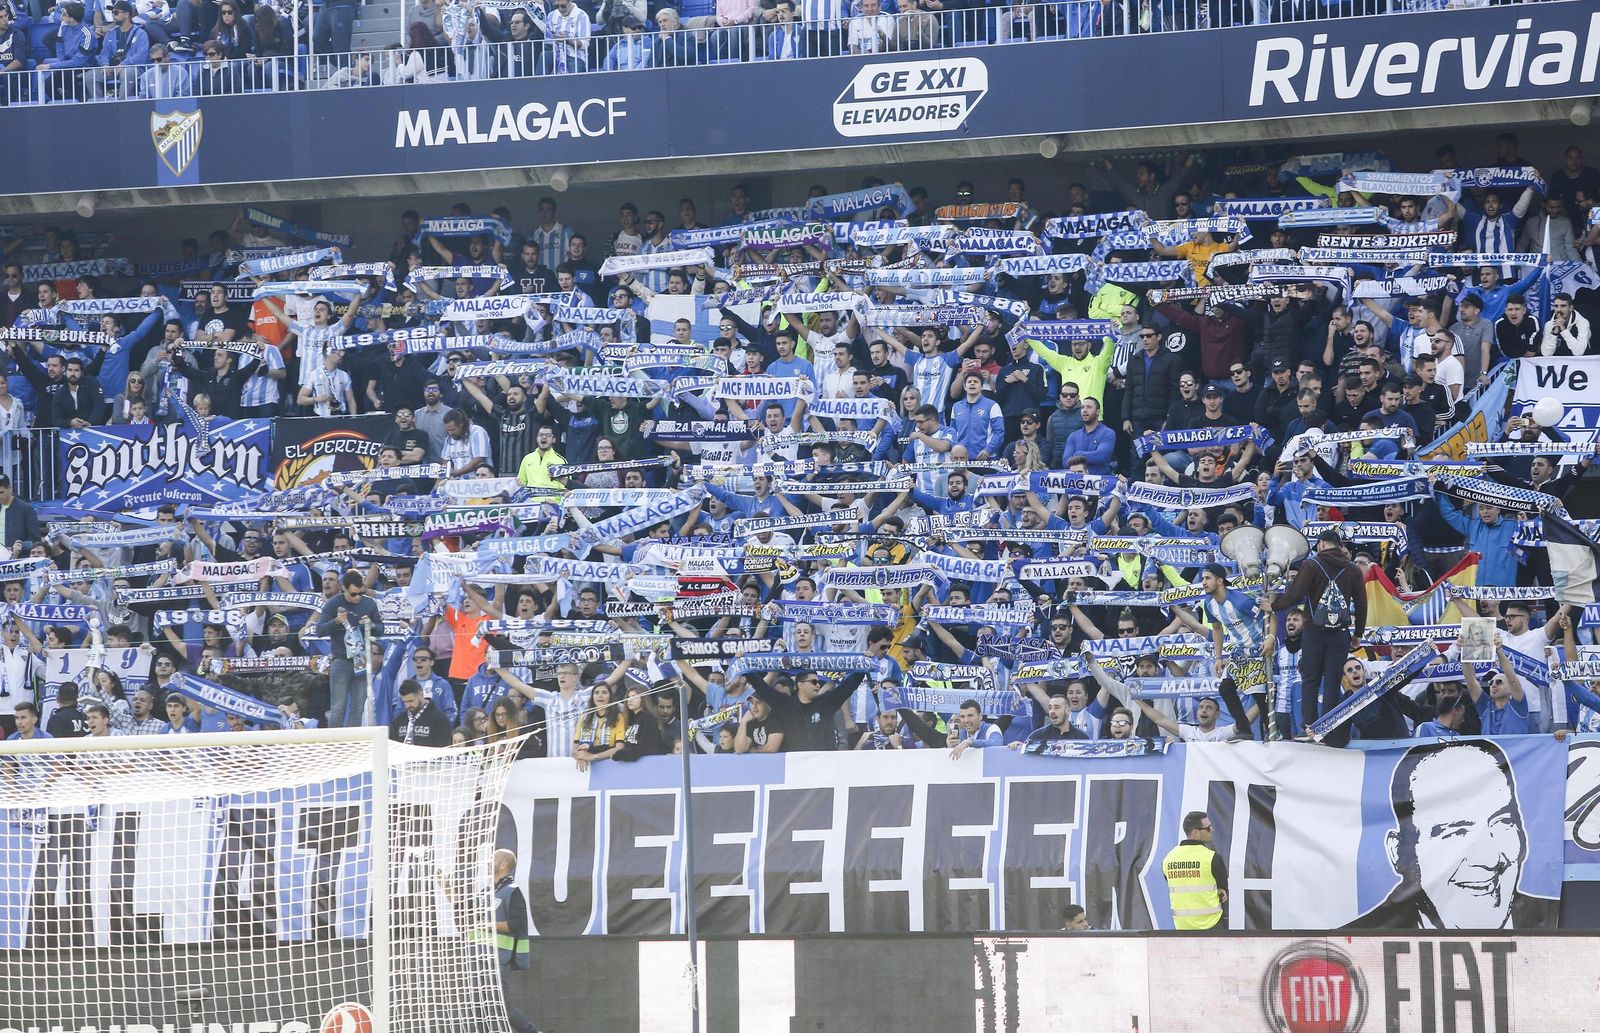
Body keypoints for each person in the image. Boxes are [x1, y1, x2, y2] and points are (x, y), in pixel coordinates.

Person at [1348, 740, 1556, 929]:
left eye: (1502, 823)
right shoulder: (1355, 945)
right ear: (1397, 852)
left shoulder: (1561, 927)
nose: (1489, 859)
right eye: (1456, 832)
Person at [315, 571, 383, 728]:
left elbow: (381, 629)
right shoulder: (333, 603)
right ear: (343, 588)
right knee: (338, 708)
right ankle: (335, 744)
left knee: (357, 709)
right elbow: (319, 631)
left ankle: (353, 745)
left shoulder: (369, 603)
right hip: (341, 660)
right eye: (353, 594)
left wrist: (371, 625)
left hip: (362, 660)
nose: (357, 598)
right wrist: (336, 621)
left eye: (360, 593)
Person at [490, 849, 542, 1033]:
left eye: (494, 857)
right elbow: (466, 917)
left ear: (503, 864)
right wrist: (448, 890)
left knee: (500, 1005)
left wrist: (488, 924)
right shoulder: (487, 892)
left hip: (498, 959)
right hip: (480, 959)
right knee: (482, 1006)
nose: (489, 860)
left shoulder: (512, 892)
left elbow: (517, 924)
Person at [1160, 811, 1226, 930]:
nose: (1212, 830)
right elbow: (1223, 892)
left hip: (1182, 928)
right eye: (1208, 828)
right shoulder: (1212, 858)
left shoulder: (1168, 859)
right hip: (1212, 926)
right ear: (1196, 833)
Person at [391, 679, 454, 747]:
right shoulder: (399, 720)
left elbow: (444, 746)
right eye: (405, 702)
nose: (408, 705)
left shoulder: (439, 719)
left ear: (421, 694)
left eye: (411, 701)